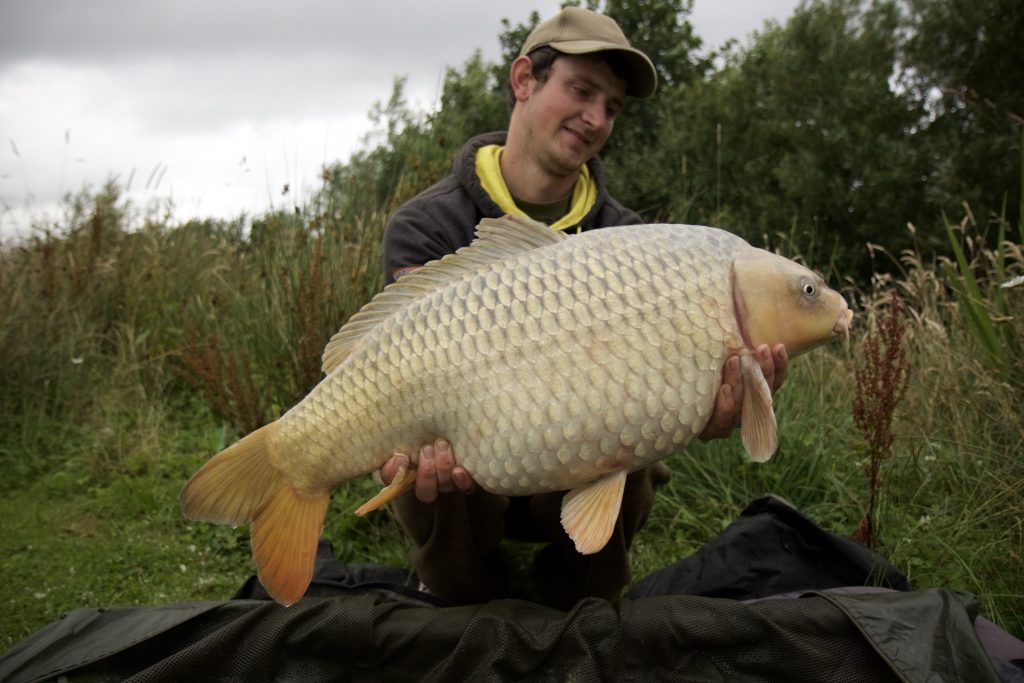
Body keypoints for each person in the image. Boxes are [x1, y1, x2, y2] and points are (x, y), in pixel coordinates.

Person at [378, 6, 787, 609]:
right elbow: (395, 367)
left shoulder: (630, 242)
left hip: (572, 461)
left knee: (639, 447)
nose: (595, 118)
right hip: (471, 459)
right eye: (581, 90)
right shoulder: (425, 225)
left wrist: (711, 403)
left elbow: (666, 378)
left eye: (612, 107)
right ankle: (460, 596)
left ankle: (579, 598)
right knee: (420, 459)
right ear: (524, 80)